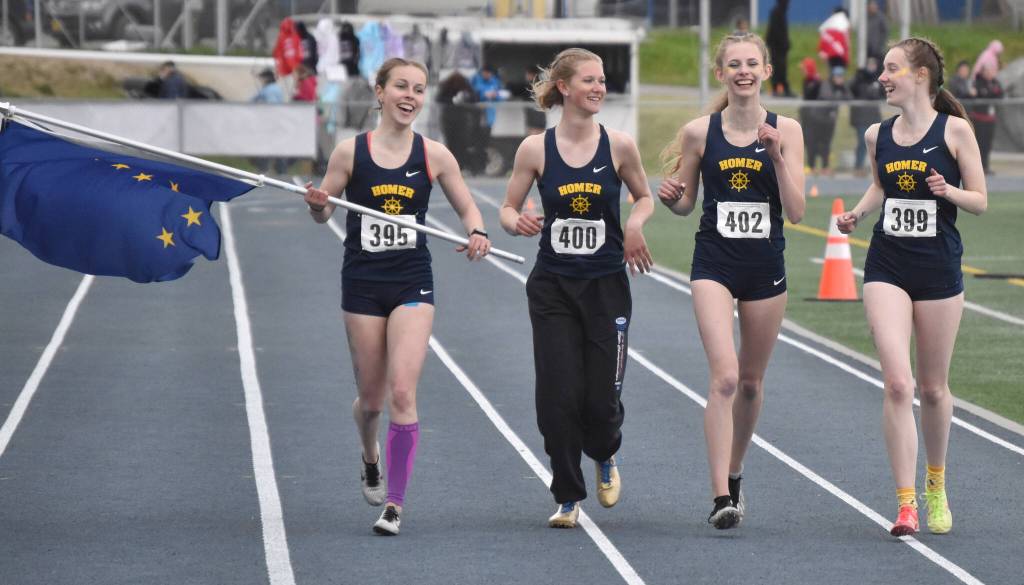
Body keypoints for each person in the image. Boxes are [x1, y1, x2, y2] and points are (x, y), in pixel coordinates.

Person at [303, 58, 492, 536]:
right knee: (371, 399)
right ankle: (370, 457)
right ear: (381, 92)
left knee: (403, 392)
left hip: (412, 281)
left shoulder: (434, 155)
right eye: (401, 86)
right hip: (363, 284)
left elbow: (468, 206)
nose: (410, 95)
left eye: (419, 89)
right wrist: (318, 207)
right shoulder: (349, 153)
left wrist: (477, 232)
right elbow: (323, 214)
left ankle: (394, 504)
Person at [836, 37, 987, 537]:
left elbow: (981, 201)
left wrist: (951, 192)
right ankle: (905, 504)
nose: (882, 77)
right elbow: (881, 185)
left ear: (920, 75)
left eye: (891, 68)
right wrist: (858, 211)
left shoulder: (956, 131)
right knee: (898, 383)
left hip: (939, 269)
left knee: (933, 387)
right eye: (883, 69)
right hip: (888, 265)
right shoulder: (878, 134)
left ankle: (936, 483)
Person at [498, 48, 655, 529]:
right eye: (589, 80)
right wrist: (516, 220)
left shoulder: (620, 145)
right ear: (564, 87)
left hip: (606, 285)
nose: (599, 88)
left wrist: (634, 226)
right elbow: (507, 209)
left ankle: (605, 453)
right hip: (553, 287)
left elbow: (645, 196)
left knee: (600, 402)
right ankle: (567, 496)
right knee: (556, 398)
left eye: (602, 80)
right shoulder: (535, 149)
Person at [657, 32, 805, 529]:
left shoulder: (789, 129)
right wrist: (669, 195)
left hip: (766, 267)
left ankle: (737, 471)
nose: (743, 71)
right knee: (723, 376)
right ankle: (720, 496)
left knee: (750, 381)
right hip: (714, 264)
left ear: (766, 70)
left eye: (752, 63)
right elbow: (684, 205)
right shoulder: (700, 131)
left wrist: (778, 155)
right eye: (733, 64)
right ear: (721, 74)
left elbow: (799, 211)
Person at [849, 57, 885, 174]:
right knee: (862, 142)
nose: (871, 67)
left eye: (873, 65)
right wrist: (857, 77)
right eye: (869, 64)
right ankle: (858, 167)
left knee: (877, 143)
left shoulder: (877, 80)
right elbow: (850, 89)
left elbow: (883, 94)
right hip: (861, 117)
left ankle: (875, 168)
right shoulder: (860, 79)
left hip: (874, 117)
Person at [250, 68, 288, 176]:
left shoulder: (269, 90)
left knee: (266, 145)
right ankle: (279, 169)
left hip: (270, 122)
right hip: (275, 122)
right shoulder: (273, 89)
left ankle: (265, 168)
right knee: (275, 145)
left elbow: (271, 105)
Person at [969, 63, 1003, 174]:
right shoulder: (978, 82)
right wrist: (990, 93)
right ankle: (978, 167)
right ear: (983, 72)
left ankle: (986, 166)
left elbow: (1000, 94)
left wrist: (990, 93)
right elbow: (981, 94)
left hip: (990, 119)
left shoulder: (994, 82)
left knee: (988, 144)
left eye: (992, 71)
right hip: (980, 119)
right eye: (987, 71)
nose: (990, 74)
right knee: (980, 144)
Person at [765, 0, 792, 97]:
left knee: (782, 67)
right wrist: (784, 43)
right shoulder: (777, 12)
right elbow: (775, 31)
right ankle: (777, 88)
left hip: (780, 46)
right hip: (776, 46)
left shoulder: (780, 12)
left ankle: (783, 88)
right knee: (778, 67)